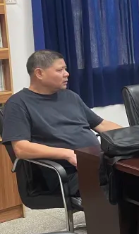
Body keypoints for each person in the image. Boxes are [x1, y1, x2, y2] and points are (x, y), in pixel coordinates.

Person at [1, 50, 121, 196]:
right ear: (39, 73)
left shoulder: (70, 96)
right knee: (122, 183)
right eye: (60, 70)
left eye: (65, 69)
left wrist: (133, 136)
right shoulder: (18, 104)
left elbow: (101, 125)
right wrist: (67, 154)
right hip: (66, 174)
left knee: (133, 172)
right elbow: (21, 148)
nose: (67, 74)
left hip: (96, 163)